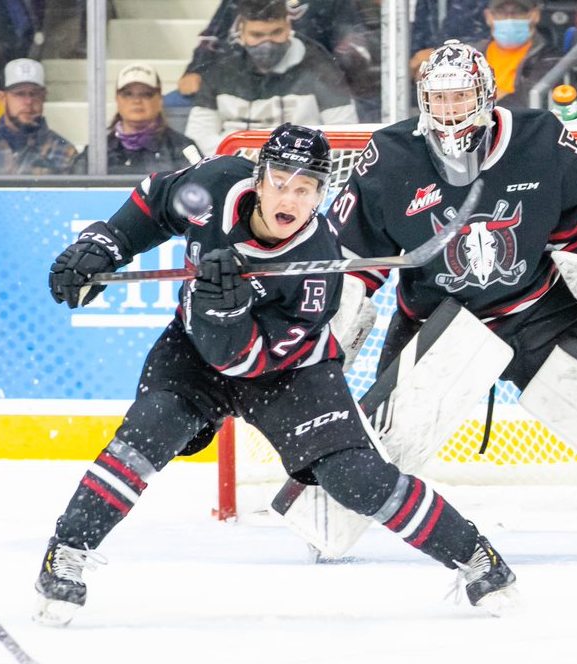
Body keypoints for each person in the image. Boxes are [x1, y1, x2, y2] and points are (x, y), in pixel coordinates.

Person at [34, 122, 517, 626]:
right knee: (150, 428)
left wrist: (227, 313)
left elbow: (247, 362)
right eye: (281, 182)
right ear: (259, 179)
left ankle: (474, 554)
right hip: (195, 350)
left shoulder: (318, 263)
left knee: (355, 478)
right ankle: (67, 550)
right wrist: (103, 244)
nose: (290, 197)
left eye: (305, 188)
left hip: (287, 371)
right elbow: (155, 201)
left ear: (319, 197)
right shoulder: (216, 184)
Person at [327, 39, 577, 461]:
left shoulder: (542, 139)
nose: (450, 110)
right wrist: (336, 308)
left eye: (461, 97)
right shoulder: (389, 156)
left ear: (486, 95)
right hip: (436, 320)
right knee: (380, 456)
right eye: (438, 98)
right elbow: (358, 258)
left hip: (541, 313)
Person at [183, 0, 359, 154]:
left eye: (276, 33)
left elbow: (344, 133)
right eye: (257, 35)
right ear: (241, 31)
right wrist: (241, 158)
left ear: (288, 26)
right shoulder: (220, 68)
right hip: (232, 169)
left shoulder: (319, 66)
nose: (267, 43)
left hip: (299, 170)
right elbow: (198, 135)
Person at [172, 0, 380, 121]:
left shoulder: (330, 2)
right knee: (171, 102)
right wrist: (196, 68)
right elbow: (213, 36)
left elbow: (353, 46)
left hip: (308, 82)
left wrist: (328, 71)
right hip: (241, 79)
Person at [73, 63, 202, 175]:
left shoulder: (183, 148)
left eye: (146, 94)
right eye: (128, 94)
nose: (136, 101)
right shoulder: (96, 152)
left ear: (159, 99)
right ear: (117, 99)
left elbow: (201, 191)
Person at [0, 58, 77, 175]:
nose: (28, 101)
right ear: (2, 98)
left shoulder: (64, 152)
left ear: (44, 97)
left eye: (35, 94)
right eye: (19, 94)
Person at [474, 0, 564, 108]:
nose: (509, 19)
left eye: (518, 12)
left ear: (534, 15)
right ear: (489, 16)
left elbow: (528, 101)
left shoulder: (550, 57)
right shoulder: (472, 54)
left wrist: (475, 98)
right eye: (501, 12)